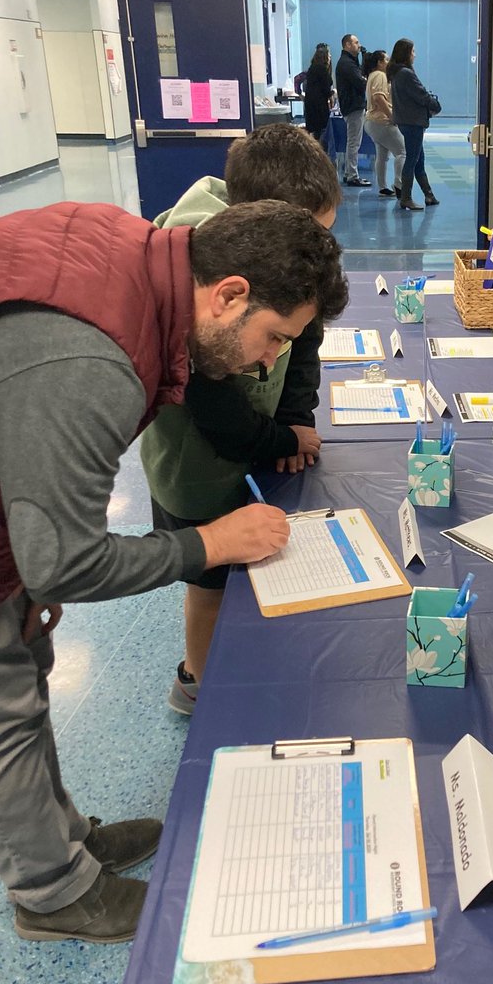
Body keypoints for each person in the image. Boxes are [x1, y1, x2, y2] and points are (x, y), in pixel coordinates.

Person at [0, 198, 349, 943]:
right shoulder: (95, 358)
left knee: (21, 679)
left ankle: (58, 845)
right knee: (6, 705)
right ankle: (52, 893)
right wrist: (211, 544)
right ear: (229, 293)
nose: (265, 362)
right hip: (22, 529)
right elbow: (62, 561)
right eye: (272, 339)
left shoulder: (139, 252)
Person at [140, 124, 343, 715]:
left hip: (258, 438)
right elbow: (213, 407)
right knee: (210, 578)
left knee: (258, 564)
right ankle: (196, 683)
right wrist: (279, 436)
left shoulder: (289, 270)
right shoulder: (197, 286)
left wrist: (294, 420)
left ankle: (245, 669)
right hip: (196, 468)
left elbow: (302, 342)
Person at [388, 38, 440, 211]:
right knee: (412, 160)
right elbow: (421, 94)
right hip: (412, 123)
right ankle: (406, 198)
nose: (415, 55)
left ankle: (429, 195)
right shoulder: (406, 73)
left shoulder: (396, 73)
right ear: (406, 54)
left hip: (405, 121)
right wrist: (434, 105)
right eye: (413, 52)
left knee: (418, 160)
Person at [363, 49, 406, 198]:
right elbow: (379, 98)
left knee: (382, 155)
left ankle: (382, 187)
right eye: (386, 60)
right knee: (402, 151)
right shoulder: (381, 75)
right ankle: (399, 184)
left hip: (371, 121)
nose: (388, 62)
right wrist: (392, 116)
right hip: (381, 121)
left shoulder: (371, 76)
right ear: (380, 63)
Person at [335, 32, 370, 186]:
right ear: (347, 45)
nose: (359, 45)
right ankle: (352, 175)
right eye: (356, 42)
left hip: (353, 105)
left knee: (353, 141)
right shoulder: (346, 64)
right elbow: (361, 82)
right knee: (354, 142)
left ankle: (350, 172)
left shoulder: (350, 62)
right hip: (353, 106)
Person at [302, 43, 333, 141]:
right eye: (328, 55)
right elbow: (326, 89)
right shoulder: (322, 70)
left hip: (310, 103)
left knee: (314, 131)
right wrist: (333, 93)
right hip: (319, 105)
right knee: (321, 131)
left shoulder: (312, 68)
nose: (330, 57)